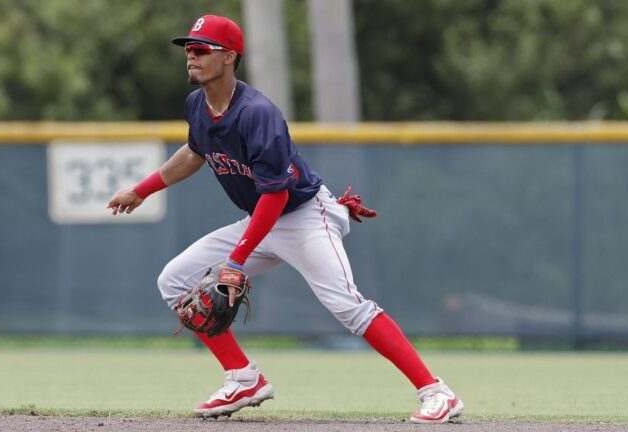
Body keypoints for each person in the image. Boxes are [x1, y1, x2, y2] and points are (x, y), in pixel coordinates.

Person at [106, 14, 463, 424]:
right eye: (188, 49)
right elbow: (193, 153)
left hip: (304, 216)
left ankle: (437, 392)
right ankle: (243, 378)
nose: (191, 56)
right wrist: (142, 189)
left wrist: (236, 261)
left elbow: (276, 194)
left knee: (348, 306)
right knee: (174, 280)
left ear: (229, 57)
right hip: (261, 218)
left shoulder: (258, 112)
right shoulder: (197, 106)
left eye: (201, 49)